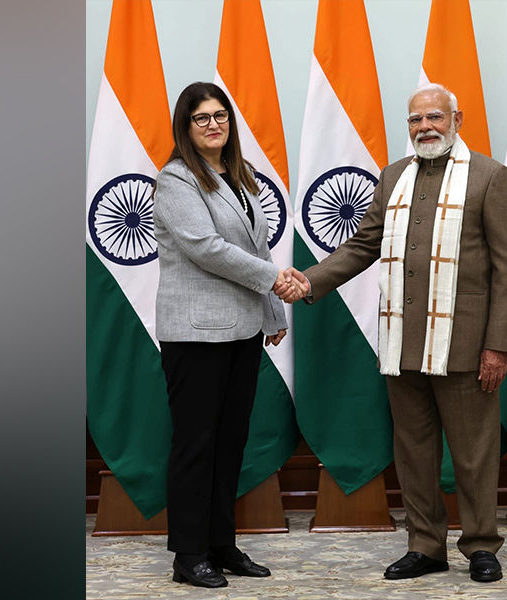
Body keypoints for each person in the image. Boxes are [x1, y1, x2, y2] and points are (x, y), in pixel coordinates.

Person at [285, 83, 507, 582]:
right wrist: (311, 280)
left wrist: (498, 345)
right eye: (416, 120)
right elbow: (363, 245)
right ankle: (425, 546)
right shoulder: (394, 175)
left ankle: (481, 545)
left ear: (458, 120)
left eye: (435, 117)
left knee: (475, 454)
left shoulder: (489, 177)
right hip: (400, 342)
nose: (425, 127)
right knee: (413, 453)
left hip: (465, 345)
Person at [151, 82, 306, 589]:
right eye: (202, 118)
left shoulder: (241, 178)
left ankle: (221, 544)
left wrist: (273, 314)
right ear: (186, 127)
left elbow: (256, 249)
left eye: (221, 115)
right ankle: (188, 554)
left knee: (229, 441)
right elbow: (205, 247)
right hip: (195, 336)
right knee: (196, 444)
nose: (214, 124)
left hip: (241, 333)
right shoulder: (176, 179)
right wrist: (276, 282)